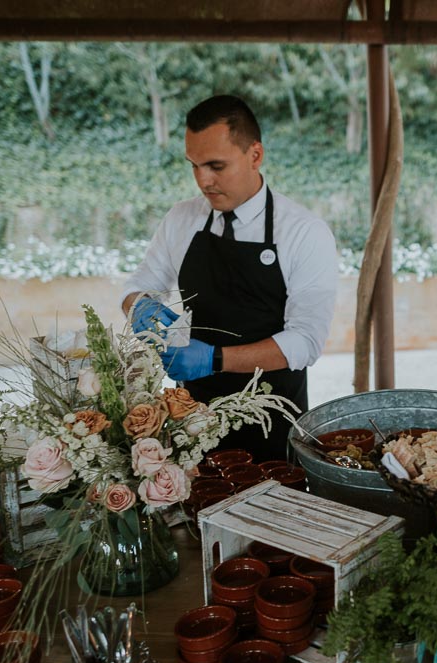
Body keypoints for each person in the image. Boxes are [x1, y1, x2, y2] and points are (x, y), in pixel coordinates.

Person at [122, 95, 338, 462]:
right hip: (191, 420)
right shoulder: (182, 218)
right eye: (194, 166)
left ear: (255, 155)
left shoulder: (304, 232)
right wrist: (140, 306)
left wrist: (214, 358)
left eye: (216, 166)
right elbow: (138, 284)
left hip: (272, 422)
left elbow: (305, 342)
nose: (203, 180)